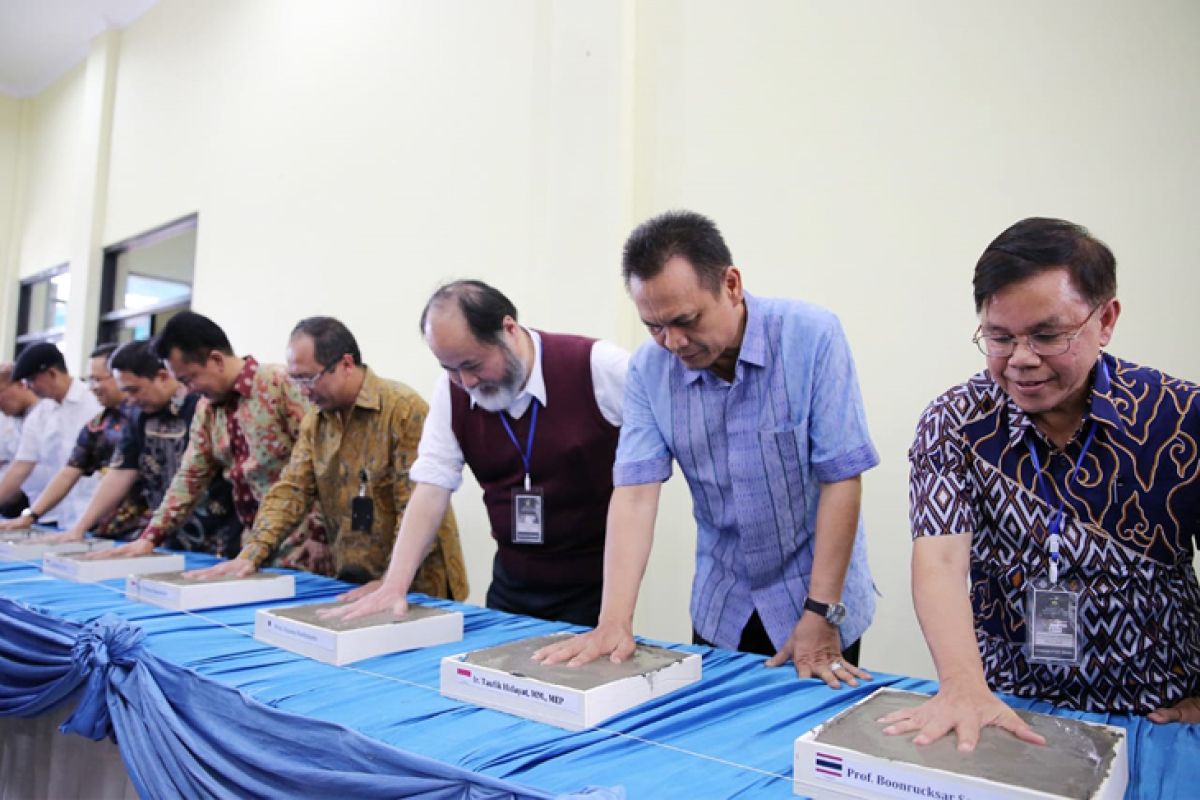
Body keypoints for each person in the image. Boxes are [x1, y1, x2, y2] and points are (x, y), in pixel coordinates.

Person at [880, 217, 1200, 751]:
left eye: (1048, 336)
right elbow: (939, 561)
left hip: (1157, 712)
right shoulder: (956, 422)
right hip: (1009, 706)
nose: (1022, 360)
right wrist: (963, 688)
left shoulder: (1180, 418)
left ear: (1106, 319)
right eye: (1000, 338)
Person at [535, 211, 878, 687]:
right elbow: (635, 494)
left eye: (686, 320)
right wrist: (613, 619)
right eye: (654, 326)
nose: (673, 342)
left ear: (731, 285)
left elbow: (840, 479)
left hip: (817, 595)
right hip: (724, 604)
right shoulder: (648, 371)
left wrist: (821, 612)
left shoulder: (811, 336)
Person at [326, 281, 627, 626]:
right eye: (449, 369)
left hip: (594, 588)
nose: (466, 381)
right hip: (511, 584)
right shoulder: (452, 393)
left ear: (509, 329)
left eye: (472, 365)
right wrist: (395, 583)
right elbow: (431, 487)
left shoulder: (597, 366)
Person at [186, 317, 468, 596]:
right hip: (352, 575)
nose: (303, 391)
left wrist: (390, 581)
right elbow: (292, 490)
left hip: (418, 582)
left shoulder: (403, 409)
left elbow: (415, 502)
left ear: (345, 364)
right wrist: (251, 554)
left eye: (309, 379)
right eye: (296, 380)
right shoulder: (315, 421)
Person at [90, 312, 325, 570]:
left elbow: (323, 463)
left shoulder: (281, 385)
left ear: (216, 360)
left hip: (308, 546)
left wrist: (320, 534)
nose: (188, 389)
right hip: (253, 547)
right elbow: (190, 476)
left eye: (189, 378)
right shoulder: (208, 409)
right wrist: (150, 537)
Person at [36, 340, 242, 554]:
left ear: (162, 376)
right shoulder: (137, 415)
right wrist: (79, 529)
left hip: (221, 537)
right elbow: (120, 473)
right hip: (168, 537)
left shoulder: (202, 406)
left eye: (135, 390)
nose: (130, 400)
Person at [0, 344, 146, 537]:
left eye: (97, 379)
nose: (94, 387)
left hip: (132, 522)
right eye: (91, 380)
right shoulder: (93, 421)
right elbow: (69, 468)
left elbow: (121, 473)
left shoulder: (97, 405)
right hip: (77, 519)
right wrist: (32, 515)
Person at [0, 343, 102, 527]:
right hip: (57, 515)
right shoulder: (40, 414)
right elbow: (21, 465)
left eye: (31, 380)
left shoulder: (94, 403)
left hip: (96, 513)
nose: (30, 388)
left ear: (51, 374)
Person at [0, 364, 43, 517]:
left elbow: (22, 466)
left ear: (21, 384)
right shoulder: (7, 418)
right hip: (21, 502)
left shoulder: (45, 413)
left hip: (52, 503)